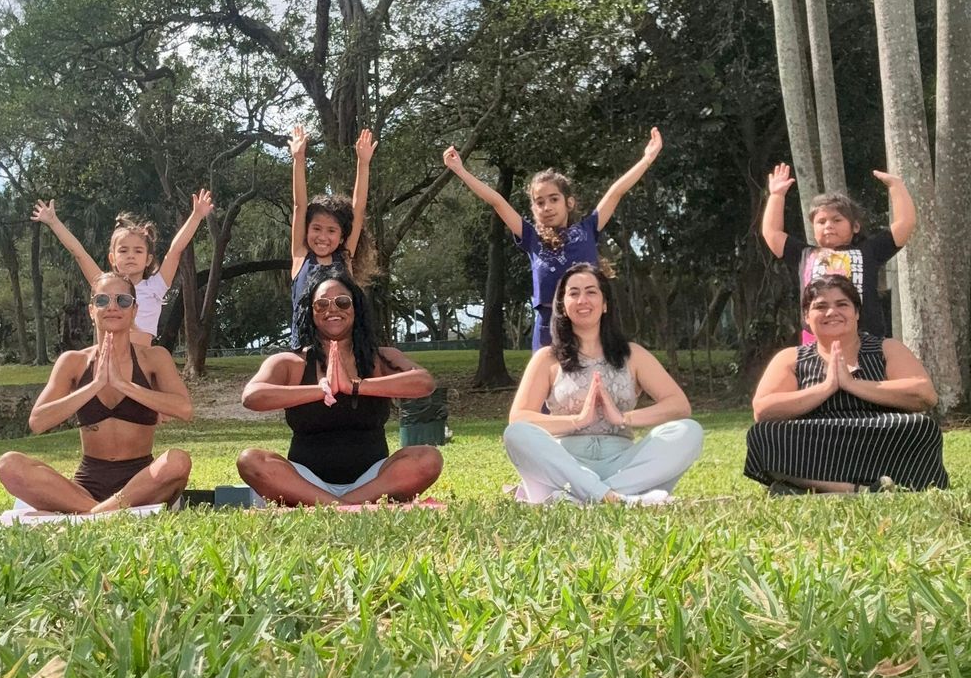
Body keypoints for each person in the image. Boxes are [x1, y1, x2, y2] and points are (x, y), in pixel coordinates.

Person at [441, 130, 663, 350]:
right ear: (533, 208)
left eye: (554, 199)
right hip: (548, 328)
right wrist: (460, 170)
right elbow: (497, 202)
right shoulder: (531, 238)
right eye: (540, 202)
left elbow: (616, 192)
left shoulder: (588, 229)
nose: (547, 207)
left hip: (589, 325)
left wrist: (647, 158)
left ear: (569, 203)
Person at [503, 263, 703, 505]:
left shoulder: (633, 355)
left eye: (591, 292)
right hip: (567, 464)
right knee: (516, 434)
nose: (582, 300)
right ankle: (619, 499)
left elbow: (679, 406)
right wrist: (577, 421)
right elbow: (519, 417)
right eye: (573, 293)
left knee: (689, 431)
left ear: (605, 303)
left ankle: (590, 496)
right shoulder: (547, 358)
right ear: (563, 306)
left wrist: (623, 418)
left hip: (623, 462)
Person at [237, 271, 443, 505]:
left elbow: (424, 383)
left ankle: (336, 506)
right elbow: (252, 396)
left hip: (373, 480)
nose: (332, 309)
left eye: (342, 302)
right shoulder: (291, 363)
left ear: (356, 308)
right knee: (250, 460)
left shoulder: (381, 358)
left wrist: (355, 386)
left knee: (428, 458)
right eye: (322, 304)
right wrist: (322, 390)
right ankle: (346, 507)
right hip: (305, 482)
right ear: (310, 311)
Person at [0, 272, 193, 513]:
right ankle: (103, 512)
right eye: (102, 300)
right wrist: (94, 385)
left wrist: (125, 385)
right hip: (86, 486)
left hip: (141, 483)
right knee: (9, 465)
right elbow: (38, 421)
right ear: (91, 310)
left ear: (134, 310)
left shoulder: (154, 357)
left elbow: (184, 409)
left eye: (122, 300)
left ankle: (91, 515)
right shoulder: (73, 362)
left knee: (178, 461)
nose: (112, 307)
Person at [745, 274, 946, 493]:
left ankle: (803, 488)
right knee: (763, 435)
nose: (832, 312)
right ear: (807, 316)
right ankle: (854, 490)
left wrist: (851, 384)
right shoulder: (791, 358)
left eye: (842, 304)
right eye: (821, 306)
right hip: (816, 442)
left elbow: (925, 395)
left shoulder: (886, 348)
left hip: (878, 437)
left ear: (856, 313)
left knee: (921, 427)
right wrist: (826, 387)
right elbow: (763, 410)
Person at [32, 192, 213, 346]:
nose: (130, 255)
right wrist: (54, 222)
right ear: (112, 258)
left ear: (148, 259)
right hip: (108, 363)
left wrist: (196, 216)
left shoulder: (156, 286)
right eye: (123, 250)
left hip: (142, 363)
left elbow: (175, 251)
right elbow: (79, 254)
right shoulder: (104, 285)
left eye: (138, 251)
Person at [761, 164, 915, 339]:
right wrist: (776, 195)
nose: (828, 226)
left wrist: (896, 186)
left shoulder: (869, 251)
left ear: (855, 226)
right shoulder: (804, 254)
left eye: (837, 220)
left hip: (865, 341)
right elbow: (772, 233)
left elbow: (905, 223)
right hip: (816, 343)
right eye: (821, 222)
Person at [288, 124, 377, 346]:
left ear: (342, 236)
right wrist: (298, 159)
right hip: (306, 348)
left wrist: (363, 163)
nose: (323, 237)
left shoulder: (344, 257)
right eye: (316, 228)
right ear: (307, 230)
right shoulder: (300, 256)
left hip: (345, 347)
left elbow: (358, 209)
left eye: (331, 231)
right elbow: (299, 205)